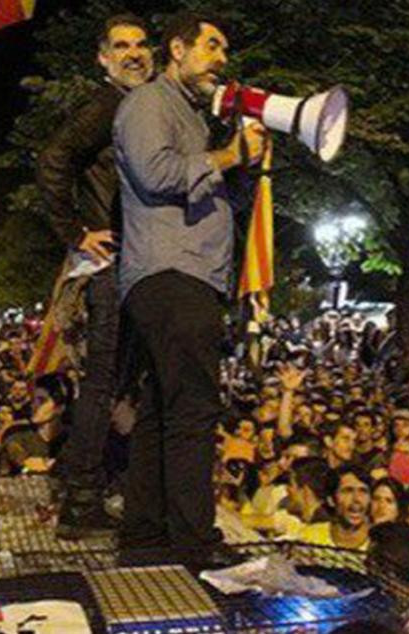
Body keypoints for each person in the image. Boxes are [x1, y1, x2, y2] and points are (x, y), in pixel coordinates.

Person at [111, 12, 268, 565]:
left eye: (225, 49)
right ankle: (195, 542)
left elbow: (208, 185)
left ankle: (145, 533)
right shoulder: (150, 103)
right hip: (174, 275)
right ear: (177, 49)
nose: (221, 59)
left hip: (180, 277)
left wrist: (244, 162)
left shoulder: (191, 117)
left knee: (161, 410)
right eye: (211, 46)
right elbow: (156, 174)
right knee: (194, 410)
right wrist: (227, 156)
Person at [36, 13, 153, 540]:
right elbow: (54, 157)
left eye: (141, 44)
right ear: (103, 58)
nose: (134, 53)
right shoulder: (106, 105)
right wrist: (76, 231)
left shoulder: (138, 108)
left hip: (136, 265)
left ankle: (88, 481)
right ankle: (80, 499)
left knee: (118, 383)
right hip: (111, 268)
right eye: (121, 46)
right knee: (104, 384)